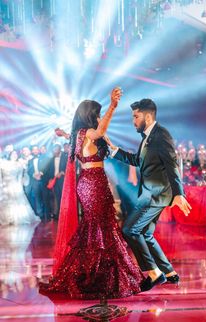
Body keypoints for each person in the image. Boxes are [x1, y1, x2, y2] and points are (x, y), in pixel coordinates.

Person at [39, 88, 144, 299]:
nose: (99, 117)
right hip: (93, 185)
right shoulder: (88, 133)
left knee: (97, 227)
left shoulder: (78, 136)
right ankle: (96, 276)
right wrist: (113, 107)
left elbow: (86, 136)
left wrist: (63, 134)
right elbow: (100, 129)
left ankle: (94, 271)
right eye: (97, 114)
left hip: (91, 184)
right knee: (100, 227)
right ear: (90, 116)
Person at [108, 99, 191, 291]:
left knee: (130, 230)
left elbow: (172, 165)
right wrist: (114, 151)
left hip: (156, 194)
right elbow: (137, 160)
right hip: (151, 193)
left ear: (147, 116)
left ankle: (155, 274)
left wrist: (179, 194)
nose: (133, 121)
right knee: (145, 233)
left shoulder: (161, 135)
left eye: (135, 117)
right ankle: (169, 272)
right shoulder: (148, 136)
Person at [0, 150, 40, 225]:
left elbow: (20, 176)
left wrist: (20, 186)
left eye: (16, 154)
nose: (14, 155)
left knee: (18, 202)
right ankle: (8, 219)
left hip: (15, 185)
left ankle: (16, 219)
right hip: (6, 185)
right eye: (13, 154)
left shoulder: (19, 165)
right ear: (10, 155)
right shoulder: (4, 164)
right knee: (7, 203)